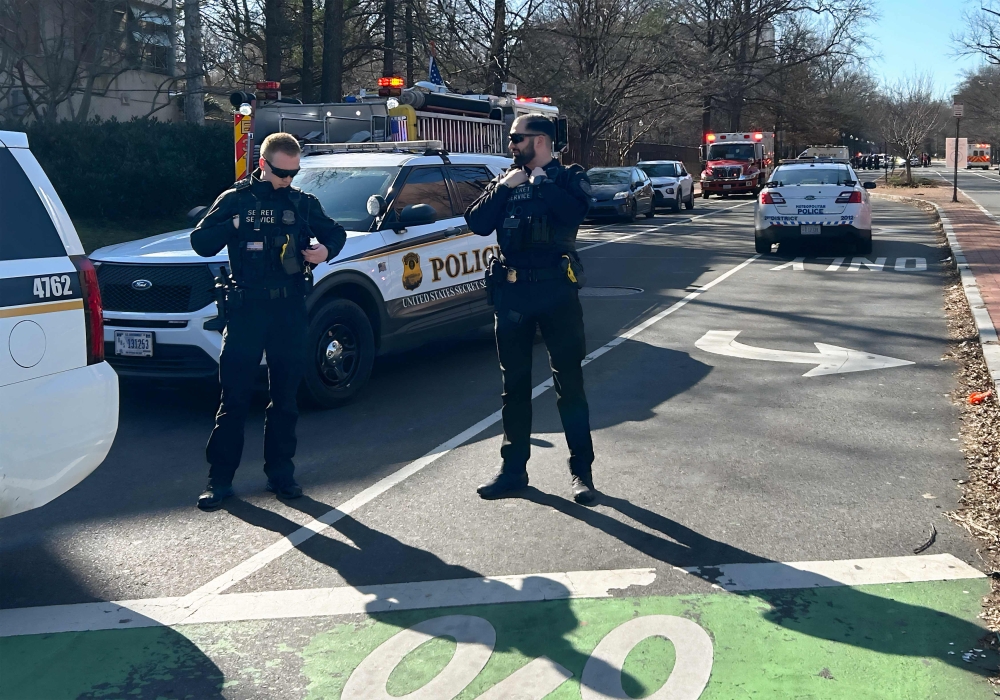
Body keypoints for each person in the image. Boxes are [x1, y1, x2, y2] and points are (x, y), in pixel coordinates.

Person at [190, 132, 347, 511]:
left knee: (285, 398)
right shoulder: (235, 200)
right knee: (235, 398)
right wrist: (235, 225)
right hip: (246, 311)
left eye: (294, 173)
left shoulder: (302, 203)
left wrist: (324, 251)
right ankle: (220, 481)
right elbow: (201, 242)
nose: (287, 180)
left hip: (288, 310)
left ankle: (281, 474)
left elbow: (336, 234)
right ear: (263, 165)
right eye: (281, 172)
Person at [465, 114, 598, 506]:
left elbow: (574, 215)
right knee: (514, 387)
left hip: (557, 291)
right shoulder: (507, 180)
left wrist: (541, 183)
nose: (511, 145)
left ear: (539, 141)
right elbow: (477, 221)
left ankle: (581, 472)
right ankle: (512, 471)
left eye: (516, 139)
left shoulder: (568, 178)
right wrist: (507, 186)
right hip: (512, 295)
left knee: (569, 383)